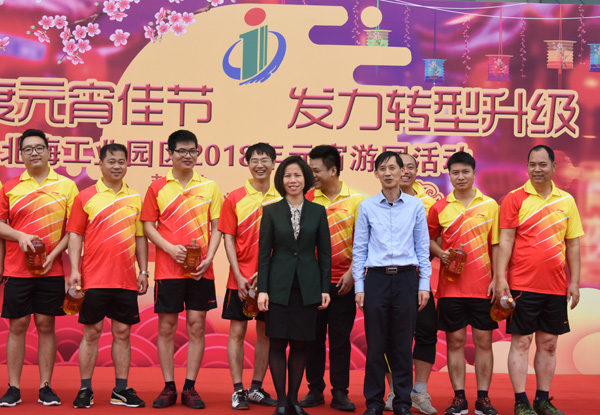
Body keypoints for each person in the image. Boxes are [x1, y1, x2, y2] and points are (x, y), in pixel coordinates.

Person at [495, 145, 583, 415]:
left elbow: (573, 244)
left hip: (555, 287)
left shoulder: (566, 201)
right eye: (532, 164)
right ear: (527, 167)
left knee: (549, 344)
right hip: (522, 286)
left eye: (543, 164)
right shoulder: (514, 199)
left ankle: (542, 399)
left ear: (554, 167)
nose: (537, 169)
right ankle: (521, 401)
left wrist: (574, 282)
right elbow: (505, 241)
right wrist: (500, 277)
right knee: (522, 343)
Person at [141, 129, 223, 409]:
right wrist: (168, 248)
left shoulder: (209, 187)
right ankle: (168, 386)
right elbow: (147, 225)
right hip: (168, 270)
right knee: (166, 327)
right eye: (182, 151)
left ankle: (190, 388)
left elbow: (217, 227)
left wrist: (209, 258)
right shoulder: (158, 188)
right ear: (170, 153)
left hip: (200, 270)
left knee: (197, 326)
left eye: (192, 151)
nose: (188, 156)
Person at [0, 128, 78, 407]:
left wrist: (53, 255)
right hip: (16, 269)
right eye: (28, 149)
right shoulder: (9, 187)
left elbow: (73, 229)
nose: (34, 153)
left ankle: (46, 386)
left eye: (39, 147)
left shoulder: (67, 186)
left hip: (50, 269)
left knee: (46, 325)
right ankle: (13, 387)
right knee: (18, 325)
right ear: (21, 155)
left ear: (48, 151)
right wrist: (19, 235)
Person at [66, 143, 149, 408]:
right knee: (92, 333)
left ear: (127, 165)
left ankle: (121, 390)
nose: (116, 166)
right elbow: (75, 235)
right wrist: (75, 270)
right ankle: (85, 389)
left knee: (122, 333)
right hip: (94, 278)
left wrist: (143, 271)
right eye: (111, 161)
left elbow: (140, 237)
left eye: (121, 162)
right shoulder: (85, 197)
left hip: (125, 279)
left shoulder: (135, 198)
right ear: (100, 164)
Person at [353, 151, 431, 415]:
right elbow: (359, 249)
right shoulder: (367, 206)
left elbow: (422, 247)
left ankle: (402, 403)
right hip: (375, 279)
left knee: (403, 346)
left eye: (393, 168)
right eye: (382, 168)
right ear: (376, 173)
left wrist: (424, 284)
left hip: (407, 278)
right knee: (376, 345)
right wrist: (360, 287)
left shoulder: (415, 206)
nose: (388, 173)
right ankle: (374, 402)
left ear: (402, 172)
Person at [257, 155, 331, 415]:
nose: (293, 180)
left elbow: (325, 254)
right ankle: (281, 402)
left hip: (307, 288)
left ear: (305, 179)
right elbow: (263, 254)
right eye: (288, 175)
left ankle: (294, 401)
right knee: (277, 343)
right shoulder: (271, 211)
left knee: (300, 344)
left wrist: (324, 288)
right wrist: (262, 290)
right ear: (281, 179)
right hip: (278, 287)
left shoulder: (318, 211)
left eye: (298, 175)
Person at [428, 151, 499, 415]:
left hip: (483, 287)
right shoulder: (440, 207)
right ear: (449, 175)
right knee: (455, 341)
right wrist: (441, 253)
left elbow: (497, 245)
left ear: (474, 173)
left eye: (465, 172)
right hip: (450, 288)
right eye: (455, 172)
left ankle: (483, 399)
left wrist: (498, 279)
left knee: (483, 341)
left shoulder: (490, 206)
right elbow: (428, 240)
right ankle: (459, 398)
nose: (460, 177)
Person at [300, 145, 364, 412]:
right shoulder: (306, 198)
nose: (310, 175)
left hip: (343, 283)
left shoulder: (358, 201)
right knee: (312, 339)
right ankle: (315, 390)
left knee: (339, 340)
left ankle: (340, 392)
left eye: (315, 170)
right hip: (311, 283)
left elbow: (364, 242)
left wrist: (352, 273)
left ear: (333, 170)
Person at [219, 143, 280, 410]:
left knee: (266, 334)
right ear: (247, 164)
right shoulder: (234, 197)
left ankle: (256, 388)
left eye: (265, 160)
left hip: (273, 279)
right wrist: (238, 273)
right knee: (237, 332)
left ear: (273, 164)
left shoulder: (283, 197)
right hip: (240, 279)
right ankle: (238, 390)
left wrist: (267, 271)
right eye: (254, 160)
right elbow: (228, 239)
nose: (260, 165)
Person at [384, 152, 439, 415]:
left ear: (417, 171)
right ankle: (395, 391)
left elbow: (435, 239)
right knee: (390, 335)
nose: (404, 171)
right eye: (399, 166)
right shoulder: (379, 201)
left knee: (426, 332)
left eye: (410, 167)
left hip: (420, 278)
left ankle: (419, 391)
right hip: (388, 279)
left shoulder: (430, 204)